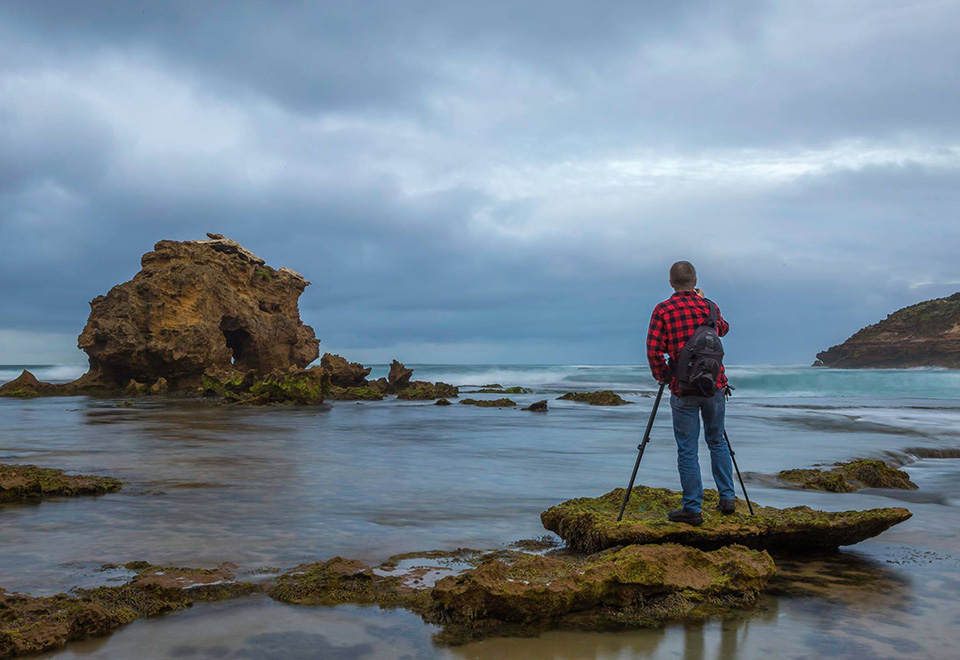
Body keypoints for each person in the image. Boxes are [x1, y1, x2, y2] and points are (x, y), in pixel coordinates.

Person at [646, 261, 735, 526]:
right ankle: (727, 498)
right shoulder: (709, 307)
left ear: (671, 282)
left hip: (683, 389)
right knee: (717, 441)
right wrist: (705, 302)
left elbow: (653, 350)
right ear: (695, 281)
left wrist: (664, 375)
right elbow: (723, 329)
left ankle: (693, 508)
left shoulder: (663, 310)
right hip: (715, 386)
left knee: (688, 449)